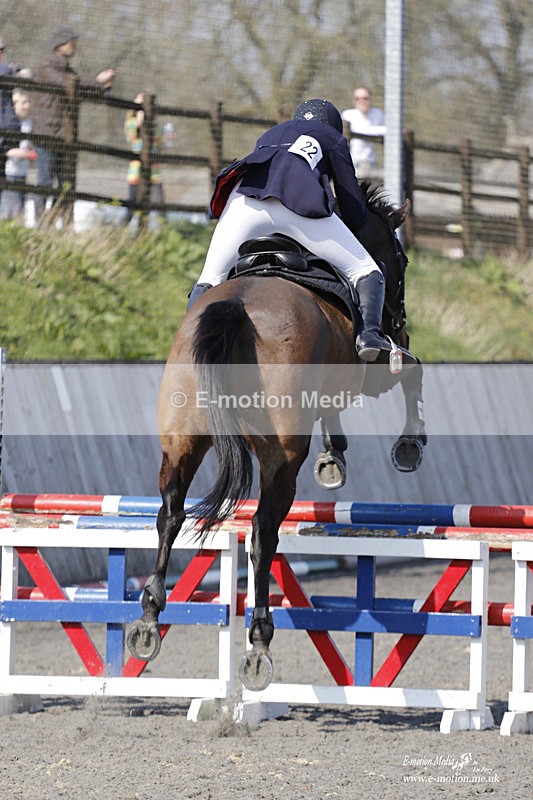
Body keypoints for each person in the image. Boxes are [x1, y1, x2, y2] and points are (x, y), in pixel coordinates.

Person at [188, 98, 414, 365]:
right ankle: (370, 338)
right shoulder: (334, 138)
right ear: (333, 126)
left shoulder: (271, 133)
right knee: (366, 270)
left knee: (209, 280)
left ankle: (188, 334)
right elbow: (352, 206)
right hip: (296, 203)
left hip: (243, 204)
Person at [31, 26, 116, 220]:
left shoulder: (66, 70)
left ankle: (55, 222)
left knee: (64, 184)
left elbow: (76, 88)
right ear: (60, 45)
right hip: (47, 134)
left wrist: (102, 88)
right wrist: (97, 81)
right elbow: (68, 84)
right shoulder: (46, 66)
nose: (75, 47)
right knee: (45, 182)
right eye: (72, 43)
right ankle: (40, 223)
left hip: (62, 135)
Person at [123, 91, 165, 224]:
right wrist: (141, 112)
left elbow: (160, 145)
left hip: (154, 174)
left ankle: (162, 235)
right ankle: (117, 233)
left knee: (160, 204)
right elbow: (137, 129)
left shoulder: (156, 126)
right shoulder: (131, 122)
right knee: (133, 207)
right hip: (136, 173)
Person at [0, 90, 36, 220]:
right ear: (14, 104)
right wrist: (16, 152)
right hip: (9, 175)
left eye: (28, 102)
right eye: (24, 102)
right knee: (8, 216)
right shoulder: (6, 124)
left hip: (22, 174)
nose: (27, 106)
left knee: (19, 215)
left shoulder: (29, 124)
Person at [341, 87, 385, 177]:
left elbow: (391, 130)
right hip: (353, 164)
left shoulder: (378, 114)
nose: (361, 101)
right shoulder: (348, 115)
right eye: (357, 98)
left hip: (372, 164)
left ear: (370, 99)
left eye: (365, 98)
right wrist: (377, 130)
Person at [0, 36, 20, 176]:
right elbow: (7, 70)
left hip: (5, 130)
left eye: (2, 50)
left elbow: (28, 72)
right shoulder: (6, 70)